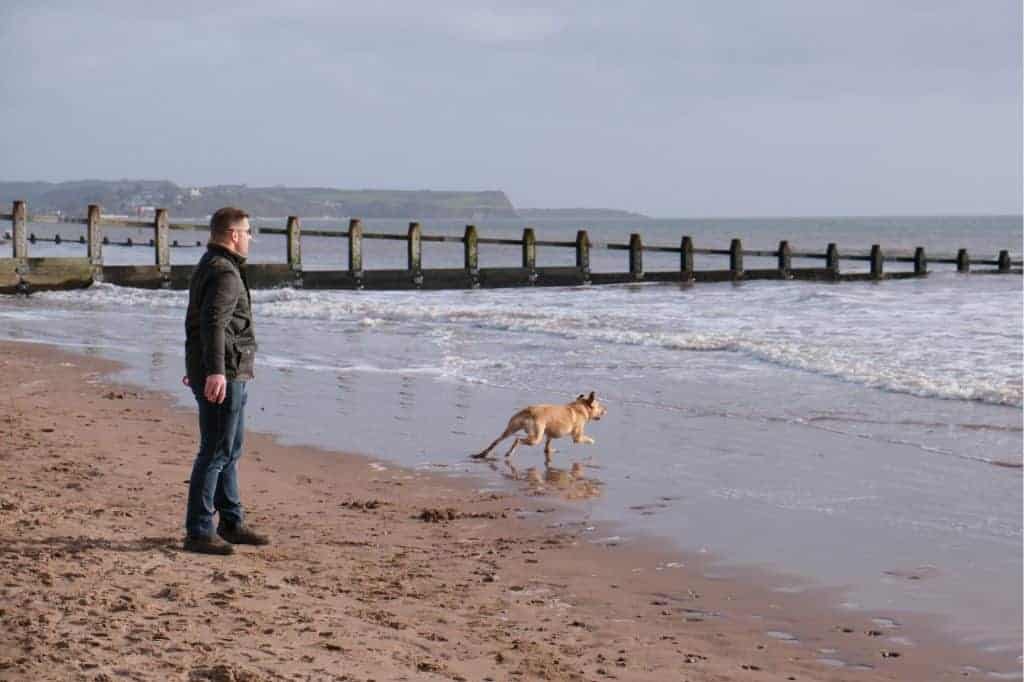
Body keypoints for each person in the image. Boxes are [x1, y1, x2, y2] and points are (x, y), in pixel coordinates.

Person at [182, 206, 269, 555]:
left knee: (229, 449)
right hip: (226, 372)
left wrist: (198, 365)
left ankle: (231, 521)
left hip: (222, 369)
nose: (250, 237)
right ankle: (200, 530)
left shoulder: (210, 264)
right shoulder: (225, 273)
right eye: (247, 231)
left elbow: (196, 322)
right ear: (233, 235)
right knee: (216, 451)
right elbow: (213, 324)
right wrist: (214, 371)